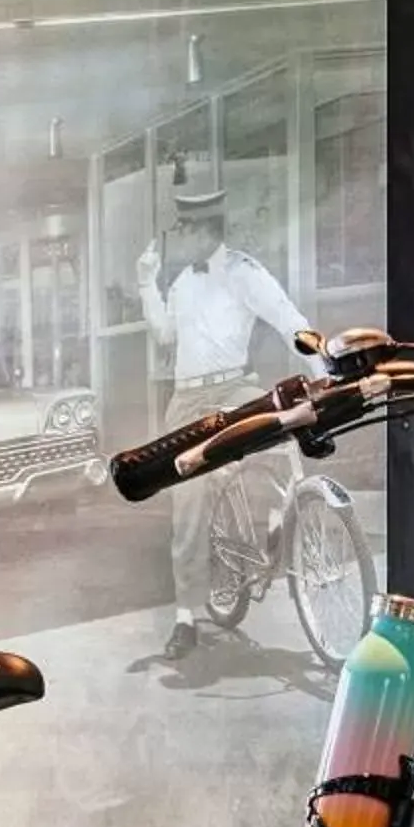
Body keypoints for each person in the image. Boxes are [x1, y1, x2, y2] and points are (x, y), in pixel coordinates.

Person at [135, 186, 313, 662]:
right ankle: (186, 618)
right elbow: (164, 335)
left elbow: (287, 319)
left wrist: (322, 366)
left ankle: (277, 516)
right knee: (188, 503)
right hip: (190, 400)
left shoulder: (243, 272)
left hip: (235, 387)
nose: (180, 238)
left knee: (283, 432)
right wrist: (146, 283)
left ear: (205, 230)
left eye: (185, 230)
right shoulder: (179, 284)